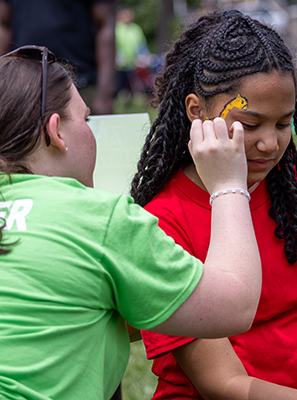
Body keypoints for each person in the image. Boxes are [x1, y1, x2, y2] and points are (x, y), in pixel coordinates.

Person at [131, 10, 297, 400]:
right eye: (250, 124)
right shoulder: (160, 223)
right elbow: (222, 384)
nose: (270, 144)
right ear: (196, 111)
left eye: (283, 123)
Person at [0, 45, 263, 400]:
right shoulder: (97, 218)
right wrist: (229, 184)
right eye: (87, 119)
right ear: (56, 131)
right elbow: (236, 306)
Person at [0, 0, 116, 115]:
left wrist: (105, 96)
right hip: (24, 87)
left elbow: (105, 24)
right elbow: (3, 25)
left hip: (81, 85)